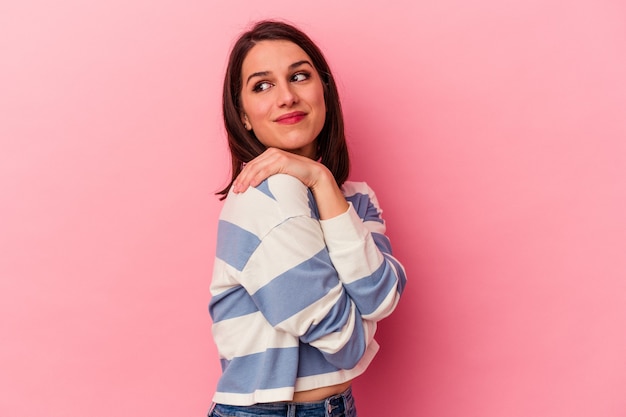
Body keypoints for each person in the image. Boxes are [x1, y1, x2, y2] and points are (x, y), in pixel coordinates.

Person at [208, 20, 407, 417]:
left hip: (338, 407)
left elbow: (381, 297)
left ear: (324, 93)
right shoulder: (260, 197)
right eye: (262, 85)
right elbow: (346, 342)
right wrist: (362, 316)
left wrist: (320, 178)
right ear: (243, 115)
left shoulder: (355, 197)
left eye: (299, 76)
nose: (286, 97)